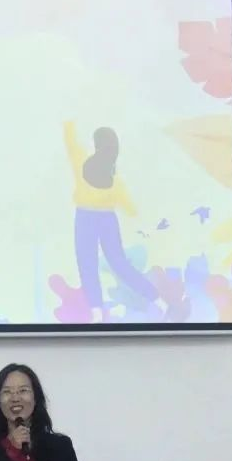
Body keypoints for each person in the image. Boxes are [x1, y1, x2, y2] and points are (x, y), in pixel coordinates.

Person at [63, 121, 159, 322]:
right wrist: (143, 224)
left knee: (87, 264)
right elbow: (130, 209)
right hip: (107, 219)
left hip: (85, 217)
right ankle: (153, 296)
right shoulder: (116, 181)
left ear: (96, 145)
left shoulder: (81, 163)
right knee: (118, 263)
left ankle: (96, 310)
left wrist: (68, 123)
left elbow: (71, 143)